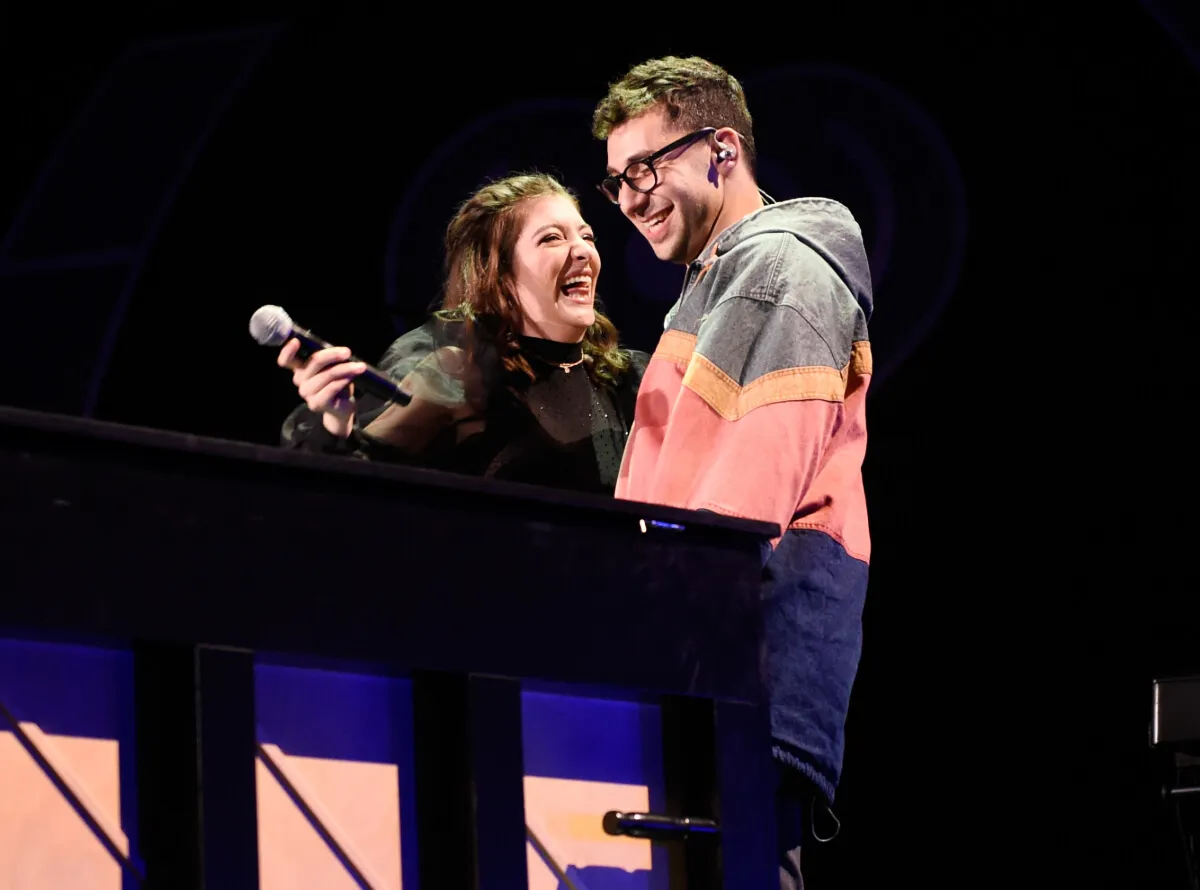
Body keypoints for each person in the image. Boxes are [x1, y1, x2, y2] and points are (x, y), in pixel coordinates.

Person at [591, 57, 874, 888]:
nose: (632, 197)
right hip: (717, 669)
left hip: (732, 669)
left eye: (647, 167)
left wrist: (651, 653)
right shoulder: (717, 283)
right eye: (615, 182)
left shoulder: (777, 270)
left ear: (721, 148)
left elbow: (739, 509)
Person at [276, 173, 647, 495]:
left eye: (587, 236)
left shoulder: (629, 381)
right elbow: (356, 498)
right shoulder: (457, 369)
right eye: (552, 238)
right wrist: (335, 426)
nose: (583, 250)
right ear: (500, 275)